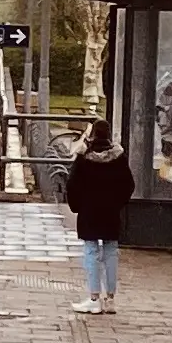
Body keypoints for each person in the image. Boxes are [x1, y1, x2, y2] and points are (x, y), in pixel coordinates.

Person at [62, 120, 133, 316]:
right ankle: (110, 299)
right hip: (111, 212)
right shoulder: (119, 157)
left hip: (89, 211)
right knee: (111, 252)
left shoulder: (84, 158)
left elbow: (72, 184)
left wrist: (77, 206)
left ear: (92, 134)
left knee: (91, 251)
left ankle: (94, 298)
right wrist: (118, 204)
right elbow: (128, 184)